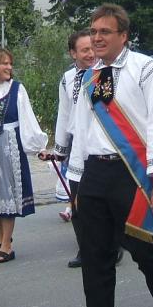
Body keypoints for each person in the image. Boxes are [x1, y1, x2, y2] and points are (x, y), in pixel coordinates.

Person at [66, 4, 153, 307]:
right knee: (95, 257)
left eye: (105, 31)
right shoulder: (92, 76)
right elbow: (84, 131)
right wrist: (75, 183)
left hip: (133, 174)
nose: (97, 37)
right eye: (93, 31)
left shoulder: (144, 68)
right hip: (96, 175)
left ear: (123, 36)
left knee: (143, 251)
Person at [0, 47, 48, 263]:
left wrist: (38, 146)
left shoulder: (17, 89)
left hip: (10, 146)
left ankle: (7, 244)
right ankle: (0, 235)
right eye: (4, 63)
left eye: (10, 63)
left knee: (8, 194)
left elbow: (27, 118)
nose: (9, 67)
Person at [42, 29, 95, 269]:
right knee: (77, 200)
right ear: (73, 53)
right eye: (85, 50)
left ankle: (111, 246)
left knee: (101, 200)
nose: (91, 54)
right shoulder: (67, 78)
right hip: (75, 146)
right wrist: (59, 150)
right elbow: (64, 115)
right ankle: (85, 248)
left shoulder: (104, 73)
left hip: (100, 144)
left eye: (92, 48)